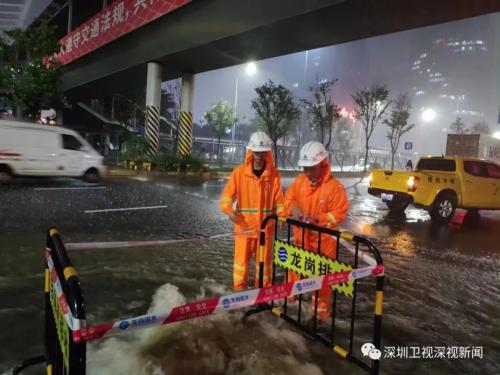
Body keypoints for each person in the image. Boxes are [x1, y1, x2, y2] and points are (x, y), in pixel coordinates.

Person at [284, 141, 349, 319]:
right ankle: (289, 306)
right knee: (293, 275)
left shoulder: (334, 188)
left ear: (322, 164)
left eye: (310, 168)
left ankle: (320, 317)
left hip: (324, 246)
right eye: (304, 168)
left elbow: (340, 212)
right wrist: (293, 209)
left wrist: (319, 219)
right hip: (300, 242)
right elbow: (288, 200)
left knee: (321, 283)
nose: (306, 172)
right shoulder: (300, 182)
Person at [220, 131, 284, 291]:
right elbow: (227, 196)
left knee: (264, 269)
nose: (259, 155)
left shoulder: (274, 175)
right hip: (244, 229)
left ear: (267, 152)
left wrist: (282, 216)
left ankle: (262, 297)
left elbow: (279, 201)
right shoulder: (239, 173)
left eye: (262, 152)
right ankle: (239, 295)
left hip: (265, 230)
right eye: (256, 151)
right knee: (240, 267)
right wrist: (228, 210)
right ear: (251, 151)